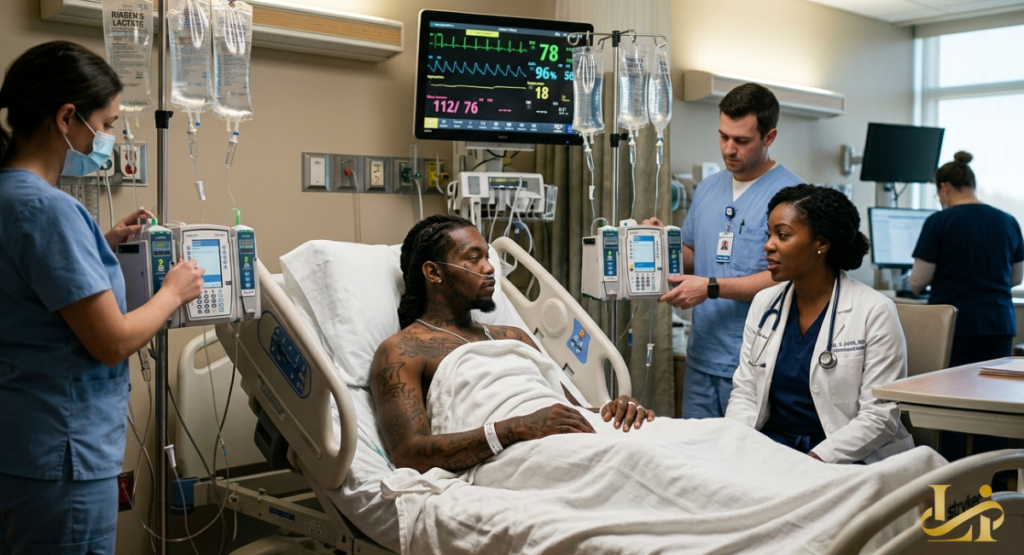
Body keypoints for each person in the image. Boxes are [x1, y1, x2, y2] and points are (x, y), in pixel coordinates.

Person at [0, 41, 204, 553]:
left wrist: (104, 244)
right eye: (108, 124)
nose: (110, 137)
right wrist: (171, 294)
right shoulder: (51, 212)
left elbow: (32, 288)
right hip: (63, 455)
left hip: (20, 444)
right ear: (67, 117)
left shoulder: (13, 198)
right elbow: (111, 341)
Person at [369, 214, 654, 473]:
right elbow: (409, 454)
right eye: (474, 258)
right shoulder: (403, 351)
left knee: (670, 447)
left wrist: (615, 410)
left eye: (488, 256)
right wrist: (515, 428)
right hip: (518, 457)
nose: (490, 267)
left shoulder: (513, 336)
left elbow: (572, 410)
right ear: (433, 273)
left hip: (574, 439)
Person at [644, 83, 802, 419]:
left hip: (756, 361)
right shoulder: (708, 188)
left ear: (769, 137)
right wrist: (663, 242)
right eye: (723, 137)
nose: (729, 149)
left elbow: (788, 278)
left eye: (741, 141)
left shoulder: (792, 197)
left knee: (746, 462)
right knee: (698, 458)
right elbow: (692, 254)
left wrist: (711, 288)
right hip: (702, 357)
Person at [725, 185, 913, 463]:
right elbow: (746, 393)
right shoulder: (765, 304)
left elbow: (879, 417)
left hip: (843, 456)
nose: (768, 244)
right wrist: (737, 444)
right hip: (773, 447)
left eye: (783, 235)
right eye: (769, 234)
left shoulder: (874, 310)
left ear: (821, 243)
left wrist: (812, 461)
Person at [909, 151, 1023, 473]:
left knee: (950, 407)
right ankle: (997, 482)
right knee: (996, 408)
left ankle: (953, 478)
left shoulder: (939, 222)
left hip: (954, 325)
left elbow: (919, 282)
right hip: (998, 323)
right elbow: (1016, 278)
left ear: (944, 187)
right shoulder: (1007, 220)